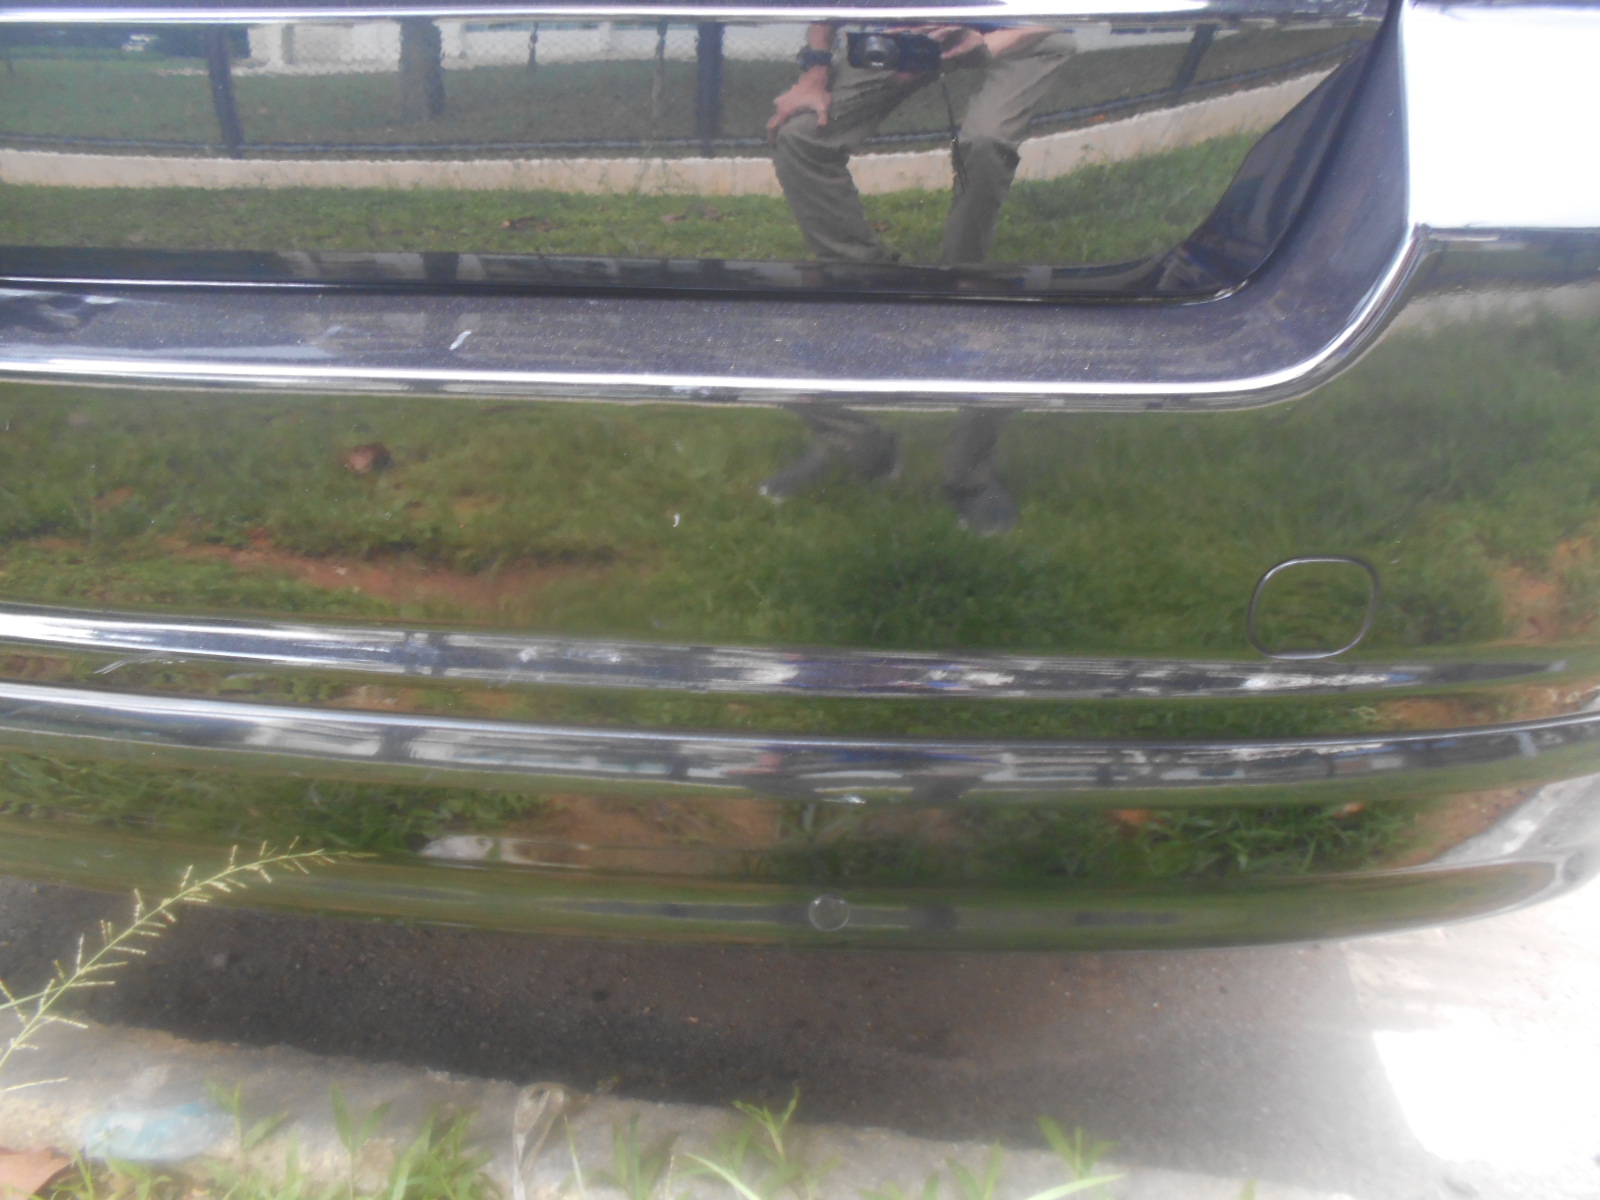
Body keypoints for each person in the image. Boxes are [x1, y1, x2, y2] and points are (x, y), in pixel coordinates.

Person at [761, 23, 1076, 535]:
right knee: (799, 134)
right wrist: (813, 72)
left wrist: (989, 43)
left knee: (985, 141)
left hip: (1022, 25)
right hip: (909, 30)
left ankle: (968, 471)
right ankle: (864, 434)